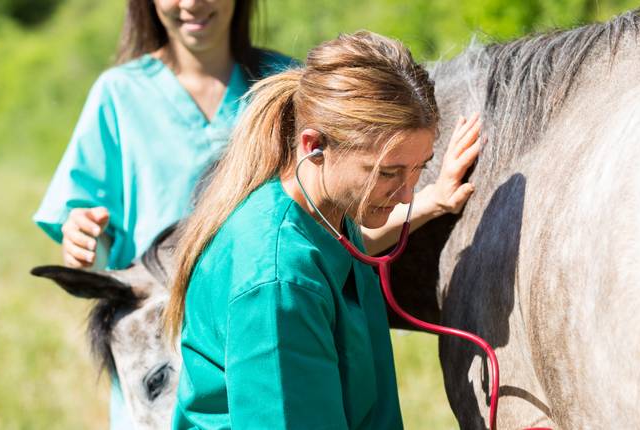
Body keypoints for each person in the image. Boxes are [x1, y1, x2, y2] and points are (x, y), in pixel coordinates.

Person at [164, 31, 483, 428]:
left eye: (419, 166)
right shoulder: (278, 284)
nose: (405, 193)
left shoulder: (322, 208)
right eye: (388, 172)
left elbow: (345, 247)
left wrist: (434, 199)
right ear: (314, 145)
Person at [32, 0, 293, 427]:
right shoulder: (119, 94)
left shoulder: (284, 84)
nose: (191, 3)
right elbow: (88, 233)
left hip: (262, 335)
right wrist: (82, 238)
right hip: (156, 357)